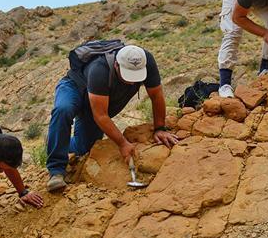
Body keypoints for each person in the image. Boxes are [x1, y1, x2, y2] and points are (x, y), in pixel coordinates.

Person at [45, 44, 179, 191]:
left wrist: (160, 128)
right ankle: (56, 171)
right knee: (63, 109)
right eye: (128, 75)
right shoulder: (100, 69)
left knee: (85, 147)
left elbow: (156, 95)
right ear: (116, 65)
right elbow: (101, 115)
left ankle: (55, 139)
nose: (132, 82)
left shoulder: (147, 61)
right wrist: (122, 143)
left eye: (136, 77)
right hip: (75, 87)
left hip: (97, 103)